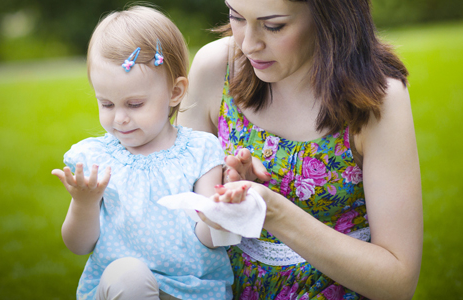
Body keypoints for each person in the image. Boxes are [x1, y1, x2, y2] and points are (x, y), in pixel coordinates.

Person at [178, 0, 423, 299]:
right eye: (236, 16)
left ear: (329, 15)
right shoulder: (215, 68)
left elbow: (397, 283)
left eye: (273, 25)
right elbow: (179, 226)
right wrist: (225, 199)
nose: (248, 45)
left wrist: (273, 212)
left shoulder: (377, 96)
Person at [51, 6, 234, 300]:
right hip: (125, 289)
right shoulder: (97, 159)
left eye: (134, 104)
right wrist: (84, 203)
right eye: (107, 104)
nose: (119, 118)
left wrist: (223, 214)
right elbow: (78, 245)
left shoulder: (200, 151)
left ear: (175, 92)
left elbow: (210, 239)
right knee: (129, 275)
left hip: (191, 290)